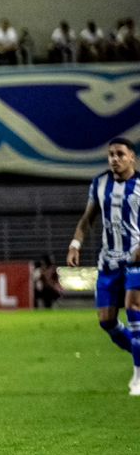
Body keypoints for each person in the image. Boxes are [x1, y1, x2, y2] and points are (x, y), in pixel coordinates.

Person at [66, 138, 140, 394]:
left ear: (132, 157)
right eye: (110, 155)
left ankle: (138, 378)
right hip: (108, 262)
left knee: (133, 310)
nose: (114, 159)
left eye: (120, 154)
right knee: (107, 321)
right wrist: (76, 243)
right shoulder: (100, 183)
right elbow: (87, 218)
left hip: (136, 260)